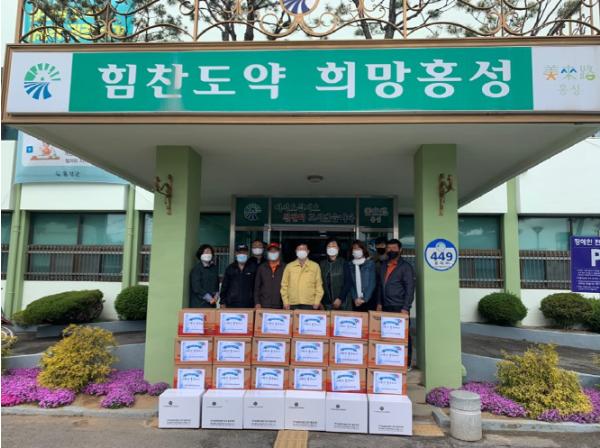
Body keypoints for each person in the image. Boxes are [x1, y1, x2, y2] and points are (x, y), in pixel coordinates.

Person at [377, 238, 416, 369]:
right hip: (385, 306)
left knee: (403, 336)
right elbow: (380, 286)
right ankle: (391, 361)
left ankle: (407, 363)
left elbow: (410, 289)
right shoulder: (383, 265)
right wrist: (379, 303)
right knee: (387, 334)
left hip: (399, 307)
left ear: (400, 250)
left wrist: (406, 307)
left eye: (394, 248)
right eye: (389, 248)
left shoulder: (405, 267)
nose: (391, 250)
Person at [281, 243, 324, 310]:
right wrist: (285, 302)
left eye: (304, 249)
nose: (301, 251)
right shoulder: (289, 266)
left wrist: (317, 301)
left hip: (310, 304)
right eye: (299, 249)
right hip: (292, 303)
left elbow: (319, 285)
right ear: (296, 251)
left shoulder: (315, 266)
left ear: (308, 251)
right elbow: (284, 285)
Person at [220, 244, 257, 308]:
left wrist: (257, 302)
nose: (242, 254)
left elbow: (256, 287)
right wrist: (222, 302)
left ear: (247, 254)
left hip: (249, 305)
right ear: (236, 254)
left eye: (244, 252)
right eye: (240, 252)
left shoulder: (253, 268)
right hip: (231, 304)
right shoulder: (230, 268)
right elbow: (224, 286)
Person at [344, 240, 377, 312]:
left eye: (359, 248)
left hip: (369, 300)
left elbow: (372, 283)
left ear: (363, 250)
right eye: (354, 248)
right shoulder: (350, 265)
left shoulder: (370, 264)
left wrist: (364, 299)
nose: (356, 250)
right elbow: (351, 284)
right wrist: (355, 298)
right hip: (355, 301)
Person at [254, 242, 286, 309]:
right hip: (264, 304)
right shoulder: (262, 267)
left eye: (275, 251)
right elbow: (257, 287)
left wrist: (286, 302)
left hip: (280, 305)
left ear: (279, 252)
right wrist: (257, 302)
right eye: (271, 251)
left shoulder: (285, 267)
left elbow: (288, 286)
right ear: (267, 253)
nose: (273, 253)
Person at [319, 238, 347, 310]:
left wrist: (340, 298)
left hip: (343, 302)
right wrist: (320, 301)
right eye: (329, 246)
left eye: (334, 246)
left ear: (338, 248)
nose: (331, 248)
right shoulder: (322, 264)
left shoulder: (343, 262)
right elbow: (319, 283)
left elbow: (348, 282)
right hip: (326, 303)